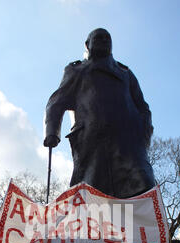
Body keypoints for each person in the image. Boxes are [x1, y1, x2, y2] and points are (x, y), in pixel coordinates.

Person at [44, 28, 155, 199]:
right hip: (93, 145)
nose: (104, 40)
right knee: (93, 196)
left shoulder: (125, 73)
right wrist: (52, 132)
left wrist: (143, 135)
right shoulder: (77, 71)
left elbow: (143, 107)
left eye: (107, 38)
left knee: (144, 187)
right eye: (98, 37)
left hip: (129, 145)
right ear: (87, 45)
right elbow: (56, 102)